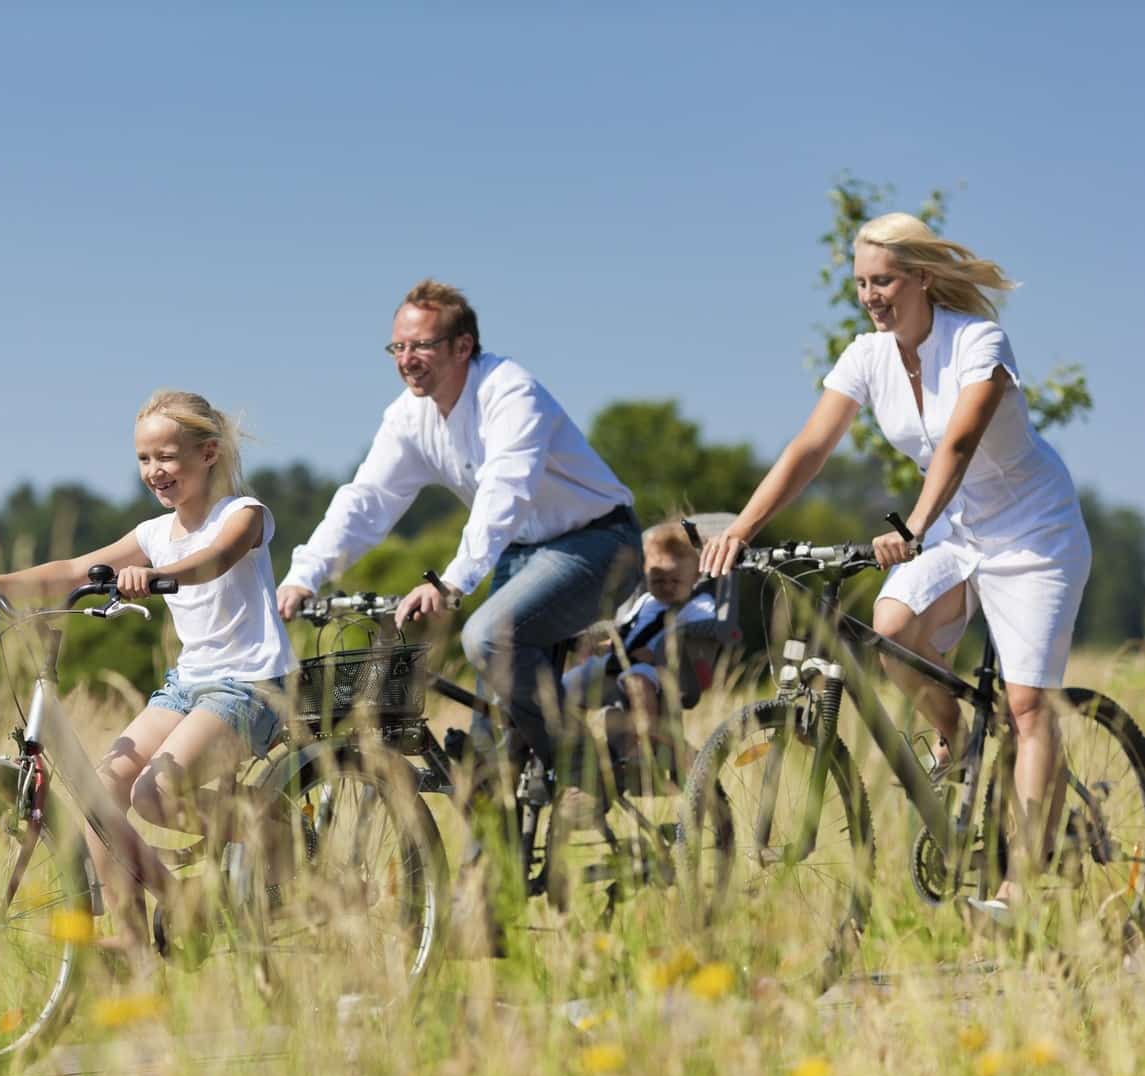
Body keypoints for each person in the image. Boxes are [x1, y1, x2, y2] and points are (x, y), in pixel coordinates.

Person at [700, 213, 1091, 917]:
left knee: (1028, 705)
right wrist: (742, 527)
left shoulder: (978, 341)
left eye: (881, 280)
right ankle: (958, 740)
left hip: (1033, 534)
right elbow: (808, 448)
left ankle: (1015, 892)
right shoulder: (866, 355)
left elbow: (961, 438)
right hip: (958, 531)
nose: (869, 294)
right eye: (859, 282)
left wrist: (911, 525)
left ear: (921, 278)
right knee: (890, 623)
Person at [0, 390, 295, 958]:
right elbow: (71, 568)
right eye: (143, 460)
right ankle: (139, 940)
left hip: (251, 684)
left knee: (156, 795)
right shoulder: (153, 532)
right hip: (190, 682)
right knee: (101, 791)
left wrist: (162, 575)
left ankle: (272, 830)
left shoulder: (244, 515)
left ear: (208, 453)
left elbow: (215, 561)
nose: (154, 472)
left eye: (166, 457)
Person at [276, 279, 642, 776]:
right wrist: (305, 575)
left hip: (598, 543)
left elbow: (505, 490)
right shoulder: (408, 417)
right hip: (523, 552)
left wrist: (454, 581)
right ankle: (486, 848)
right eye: (398, 347)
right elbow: (368, 501)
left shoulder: (509, 392)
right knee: (490, 757)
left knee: (488, 637)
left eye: (421, 345)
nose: (406, 359)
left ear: (462, 346)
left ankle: (583, 772)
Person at [564, 520, 719, 793]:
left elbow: (705, 630)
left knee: (638, 681)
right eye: (658, 580)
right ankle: (573, 748)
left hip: (663, 667)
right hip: (619, 662)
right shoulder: (646, 601)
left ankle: (641, 748)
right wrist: (608, 641)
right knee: (563, 687)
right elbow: (626, 627)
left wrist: (662, 649)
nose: (667, 587)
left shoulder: (698, 605)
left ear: (695, 577)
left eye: (675, 580)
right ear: (646, 574)